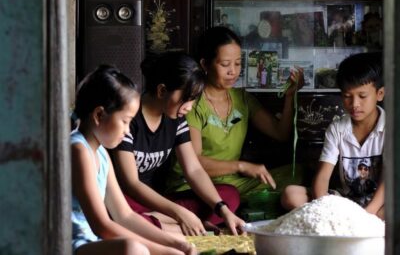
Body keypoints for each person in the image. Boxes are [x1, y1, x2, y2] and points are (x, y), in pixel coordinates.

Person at [166, 26, 304, 209]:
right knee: (229, 195)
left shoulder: (242, 99)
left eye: (238, 63)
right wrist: (242, 167)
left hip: (232, 183)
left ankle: (238, 205)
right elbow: (195, 162)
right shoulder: (192, 104)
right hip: (193, 183)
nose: (233, 71)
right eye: (225, 64)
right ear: (205, 64)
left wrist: (289, 97)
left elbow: (281, 133)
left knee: (297, 174)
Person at [111, 52, 245, 236]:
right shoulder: (129, 119)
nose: (189, 107)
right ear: (161, 91)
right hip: (127, 200)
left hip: (157, 201)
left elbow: (194, 170)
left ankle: (160, 222)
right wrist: (179, 213)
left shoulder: (176, 119)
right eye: (186, 99)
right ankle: (173, 224)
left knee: (229, 195)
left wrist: (223, 209)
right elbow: (131, 184)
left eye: (193, 100)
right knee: (116, 212)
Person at [71, 65, 196, 255]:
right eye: (125, 121)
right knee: (134, 249)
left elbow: (125, 215)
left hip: (91, 242)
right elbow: (102, 226)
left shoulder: (101, 153)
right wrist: (162, 251)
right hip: (69, 245)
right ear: (99, 115)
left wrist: (176, 244)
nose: (128, 131)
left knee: (177, 242)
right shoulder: (78, 150)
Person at [281, 52, 385, 219]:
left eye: (362, 96)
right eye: (347, 96)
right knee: (290, 194)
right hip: (344, 202)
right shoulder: (338, 128)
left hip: (377, 204)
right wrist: (323, 209)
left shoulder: (391, 128)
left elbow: (388, 182)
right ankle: (339, 219)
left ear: (380, 94)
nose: (354, 104)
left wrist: (367, 215)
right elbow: (322, 176)